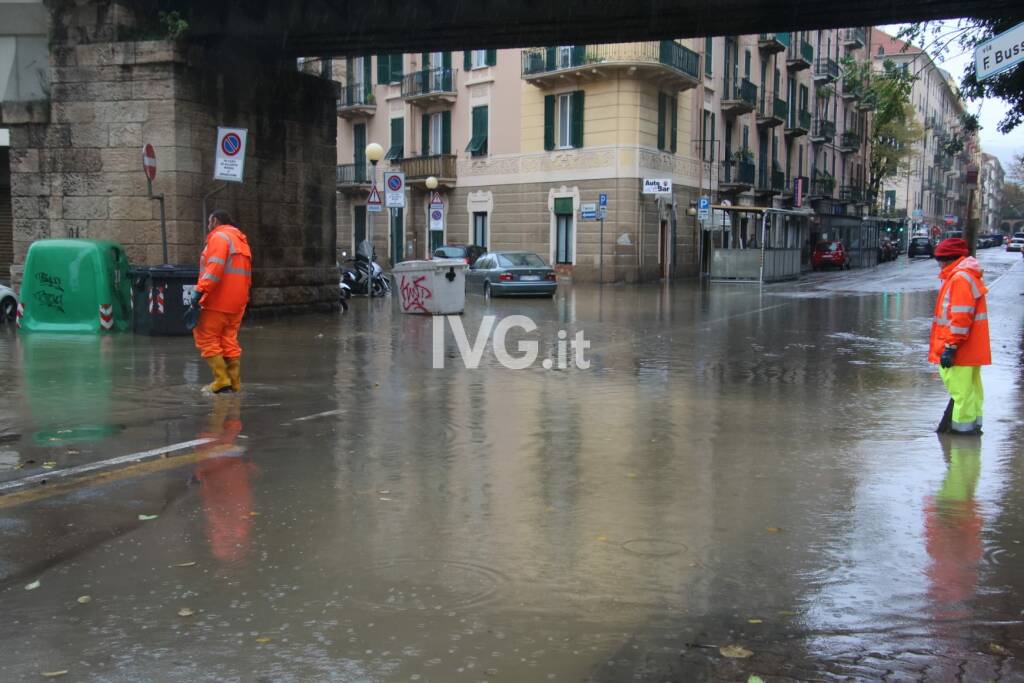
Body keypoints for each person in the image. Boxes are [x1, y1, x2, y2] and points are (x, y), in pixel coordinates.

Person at [929, 238, 990, 435]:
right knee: (971, 389)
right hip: (970, 347)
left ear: (948, 259)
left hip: (959, 349)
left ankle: (960, 433)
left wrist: (950, 347)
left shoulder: (959, 278)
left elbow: (960, 316)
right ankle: (972, 427)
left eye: (940, 260)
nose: (939, 264)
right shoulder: (966, 276)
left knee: (960, 391)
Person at [191, 210, 252, 394]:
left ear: (215, 221)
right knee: (228, 340)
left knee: (206, 337)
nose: (208, 226)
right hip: (238, 301)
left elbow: (214, 268)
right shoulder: (241, 241)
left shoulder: (219, 237)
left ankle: (221, 380)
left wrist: (200, 290)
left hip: (217, 299)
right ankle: (234, 383)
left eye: (209, 222)